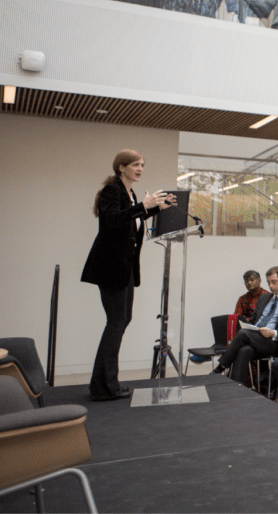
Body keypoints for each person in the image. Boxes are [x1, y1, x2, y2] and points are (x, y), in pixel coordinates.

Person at [81, 150, 175, 401]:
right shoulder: (112, 191)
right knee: (115, 323)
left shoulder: (130, 193)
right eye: (135, 164)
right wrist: (143, 206)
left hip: (124, 270)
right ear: (121, 167)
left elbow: (129, 221)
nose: (140, 169)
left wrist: (153, 209)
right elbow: (112, 220)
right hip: (110, 268)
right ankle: (105, 386)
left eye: (143, 165)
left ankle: (101, 383)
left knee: (122, 321)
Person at [210, 266, 278, 384]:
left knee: (243, 334)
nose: (271, 286)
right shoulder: (264, 298)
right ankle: (235, 388)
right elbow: (252, 320)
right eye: (269, 283)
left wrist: (272, 333)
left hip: (275, 342)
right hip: (255, 336)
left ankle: (221, 367)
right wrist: (248, 326)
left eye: (274, 282)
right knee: (244, 350)